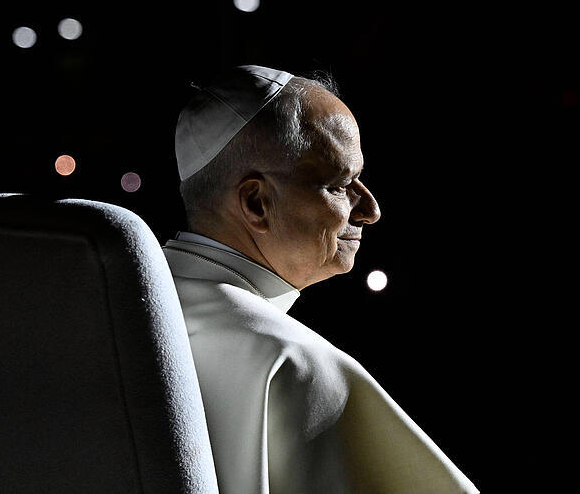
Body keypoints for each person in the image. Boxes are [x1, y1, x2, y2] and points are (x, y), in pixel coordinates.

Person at [162, 65, 478, 494]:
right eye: (341, 184)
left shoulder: (111, 307)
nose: (370, 209)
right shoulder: (292, 365)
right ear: (256, 203)